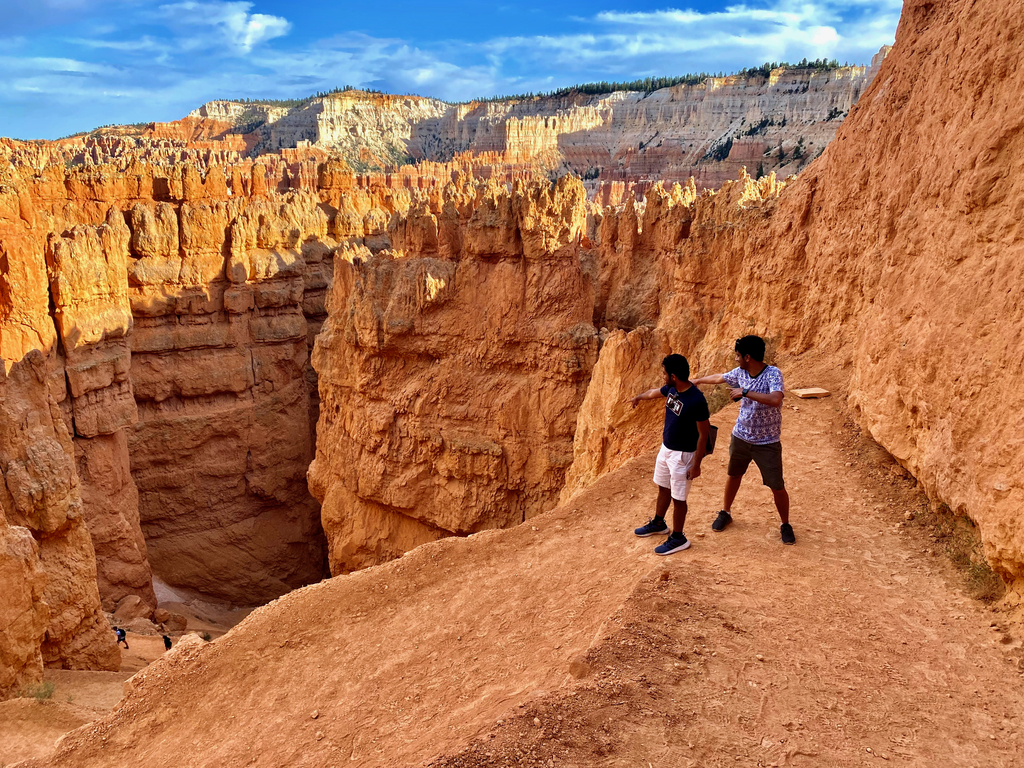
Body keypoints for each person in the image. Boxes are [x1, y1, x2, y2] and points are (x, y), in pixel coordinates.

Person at [691, 335, 795, 545]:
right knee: (734, 475)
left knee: (776, 485)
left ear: (748, 356)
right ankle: (725, 512)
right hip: (741, 436)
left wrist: (746, 392)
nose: (736, 359)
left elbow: (776, 399)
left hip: (767, 441)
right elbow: (721, 377)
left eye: (738, 356)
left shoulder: (773, 373)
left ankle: (785, 524)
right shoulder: (741, 372)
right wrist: (699, 380)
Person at [628, 354, 711, 555]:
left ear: (673, 376)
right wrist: (639, 397)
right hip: (666, 449)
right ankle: (658, 523)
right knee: (663, 487)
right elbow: (654, 392)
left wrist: (697, 464)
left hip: (683, 456)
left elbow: (704, 434)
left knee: (679, 498)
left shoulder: (696, 400)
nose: (662, 376)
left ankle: (678, 537)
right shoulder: (672, 389)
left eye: (664, 373)